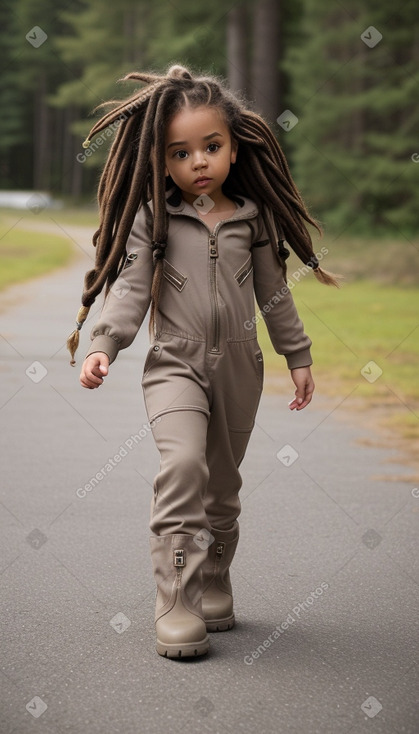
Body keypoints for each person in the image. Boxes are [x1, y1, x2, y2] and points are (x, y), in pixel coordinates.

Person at [67, 64, 339, 660]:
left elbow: (275, 294)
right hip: (175, 366)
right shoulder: (153, 220)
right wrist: (101, 346)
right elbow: (131, 290)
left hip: (241, 367)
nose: (198, 162)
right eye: (180, 152)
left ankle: (215, 579)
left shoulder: (254, 218)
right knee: (183, 466)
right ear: (161, 161)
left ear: (234, 148)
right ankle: (176, 598)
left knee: (222, 485)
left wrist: (298, 355)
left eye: (211, 147)